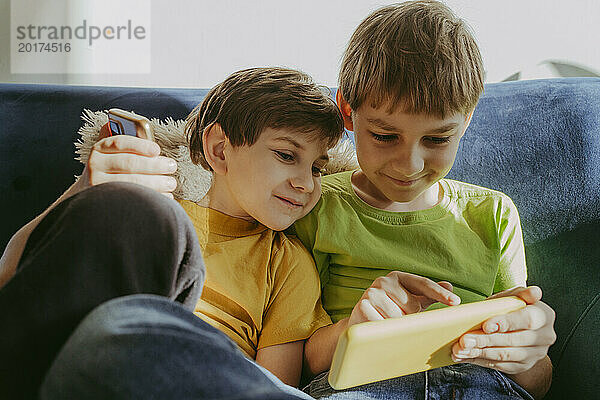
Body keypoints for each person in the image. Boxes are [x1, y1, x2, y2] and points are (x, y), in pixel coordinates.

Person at [0, 67, 345, 399]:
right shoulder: (155, 218)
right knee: (144, 216)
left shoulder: (288, 262)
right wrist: (83, 191)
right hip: (100, 355)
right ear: (220, 149)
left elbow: (270, 382)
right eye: (287, 155)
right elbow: (14, 277)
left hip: (200, 372)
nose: (305, 183)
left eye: (317, 168)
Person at [293, 2, 557, 399]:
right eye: (385, 136)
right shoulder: (314, 206)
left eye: (436, 139)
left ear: (466, 119)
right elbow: (293, 360)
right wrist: (353, 328)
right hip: (363, 383)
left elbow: (538, 384)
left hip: (479, 383)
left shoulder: (493, 214)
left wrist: (527, 354)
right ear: (348, 110)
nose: (409, 164)